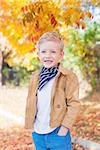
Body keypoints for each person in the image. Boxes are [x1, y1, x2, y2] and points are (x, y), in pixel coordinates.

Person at [25, 31, 81, 150]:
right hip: (38, 133)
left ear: (61, 55)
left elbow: (74, 104)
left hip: (57, 132)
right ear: (38, 55)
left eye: (53, 52)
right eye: (44, 51)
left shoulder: (68, 77)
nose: (48, 55)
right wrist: (32, 127)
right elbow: (30, 101)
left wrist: (64, 129)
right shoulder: (35, 77)